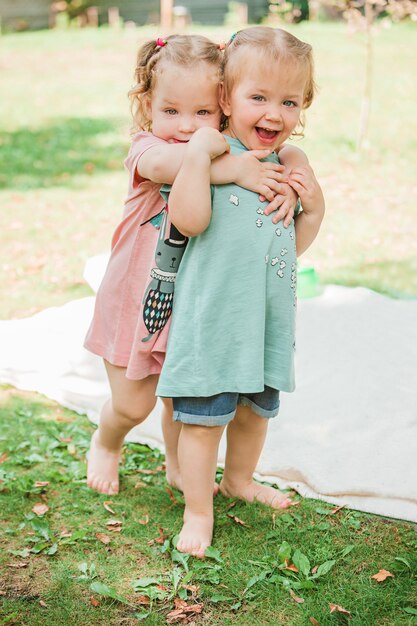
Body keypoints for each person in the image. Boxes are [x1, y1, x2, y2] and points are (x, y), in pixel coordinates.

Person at [84, 33, 308, 496]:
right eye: (171, 111)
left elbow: (273, 149)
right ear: (147, 105)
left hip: (194, 300)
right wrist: (230, 169)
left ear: (222, 107)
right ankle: (107, 442)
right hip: (138, 298)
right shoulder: (147, 149)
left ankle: (179, 465)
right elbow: (172, 163)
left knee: (178, 398)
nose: (186, 126)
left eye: (202, 113)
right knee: (133, 404)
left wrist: (294, 158)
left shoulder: (226, 148)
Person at [156, 27, 325, 558]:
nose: (274, 113)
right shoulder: (211, 154)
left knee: (255, 415)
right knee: (203, 425)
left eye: (289, 101)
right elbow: (189, 220)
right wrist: (201, 155)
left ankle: (241, 480)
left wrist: (313, 205)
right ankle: (198, 509)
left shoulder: (287, 164)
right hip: (214, 320)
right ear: (226, 99)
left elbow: (287, 249)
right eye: (259, 97)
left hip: (266, 319)